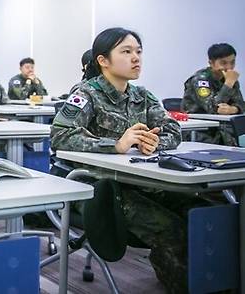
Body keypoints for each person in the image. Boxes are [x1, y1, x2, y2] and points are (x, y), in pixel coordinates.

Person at [51, 27, 200, 294]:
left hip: (146, 182)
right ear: (103, 60)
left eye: (138, 52)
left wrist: (153, 142)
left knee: (204, 213)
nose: (136, 58)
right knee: (173, 229)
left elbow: (172, 130)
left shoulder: (143, 95)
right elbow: (60, 135)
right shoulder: (87, 94)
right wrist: (115, 145)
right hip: (103, 188)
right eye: (126, 52)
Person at [181, 43, 244, 146]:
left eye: (232, 62)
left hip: (224, 130)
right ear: (211, 63)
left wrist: (234, 109)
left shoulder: (230, 79)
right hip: (200, 132)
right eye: (223, 63)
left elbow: (241, 104)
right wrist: (228, 84)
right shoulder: (200, 79)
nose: (229, 67)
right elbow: (211, 107)